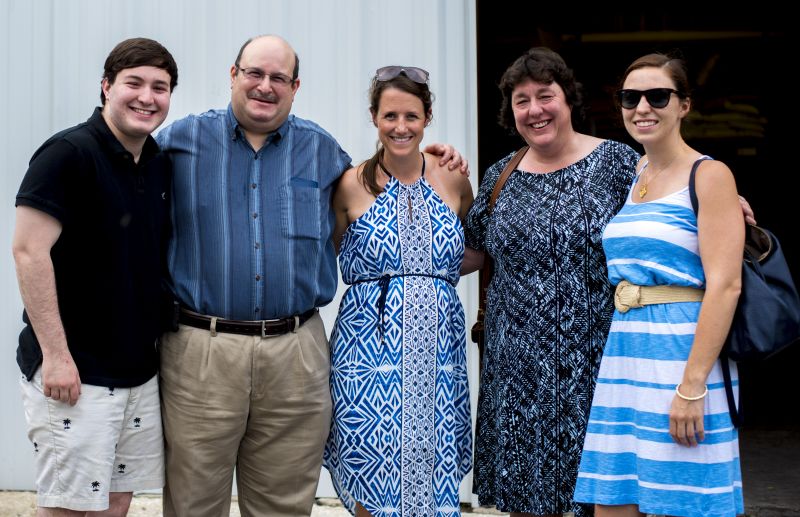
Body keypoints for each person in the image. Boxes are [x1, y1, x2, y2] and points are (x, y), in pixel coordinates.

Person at [155, 35, 467, 517]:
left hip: (295, 351)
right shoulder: (178, 142)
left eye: (279, 77)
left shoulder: (324, 155)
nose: (265, 86)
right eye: (254, 73)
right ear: (232, 75)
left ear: (295, 86)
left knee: (284, 504)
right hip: (204, 349)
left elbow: (391, 206)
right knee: (195, 501)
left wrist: (440, 157)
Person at [463, 47, 641, 517]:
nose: (535, 110)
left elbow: (665, 207)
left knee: (601, 498)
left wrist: (721, 202)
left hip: (595, 362)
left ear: (567, 99)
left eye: (545, 96)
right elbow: (469, 251)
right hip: (516, 369)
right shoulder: (500, 174)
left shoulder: (617, 163)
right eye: (521, 100)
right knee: (524, 498)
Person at [573, 53, 745, 517]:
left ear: (684, 105)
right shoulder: (635, 175)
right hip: (625, 361)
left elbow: (726, 286)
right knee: (614, 504)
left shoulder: (709, 176)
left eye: (658, 96)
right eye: (631, 97)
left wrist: (692, 387)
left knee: (684, 503)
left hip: (682, 360)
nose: (642, 106)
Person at [12, 38, 177, 515]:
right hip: (76, 372)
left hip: (138, 374)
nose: (147, 96)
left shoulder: (159, 162)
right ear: (106, 87)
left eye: (160, 87)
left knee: (115, 503)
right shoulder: (67, 154)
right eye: (134, 83)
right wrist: (56, 356)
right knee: (68, 507)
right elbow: (28, 252)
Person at [323, 66, 475, 517]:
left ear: (427, 116)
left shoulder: (454, 179)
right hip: (366, 352)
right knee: (368, 464)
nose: (401, 127)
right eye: (390, 115)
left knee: (435, 464)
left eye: (411, 115)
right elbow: (318, 258)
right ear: (374, 117)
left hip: (438, 353)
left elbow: (474, 255)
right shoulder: (350, 184)